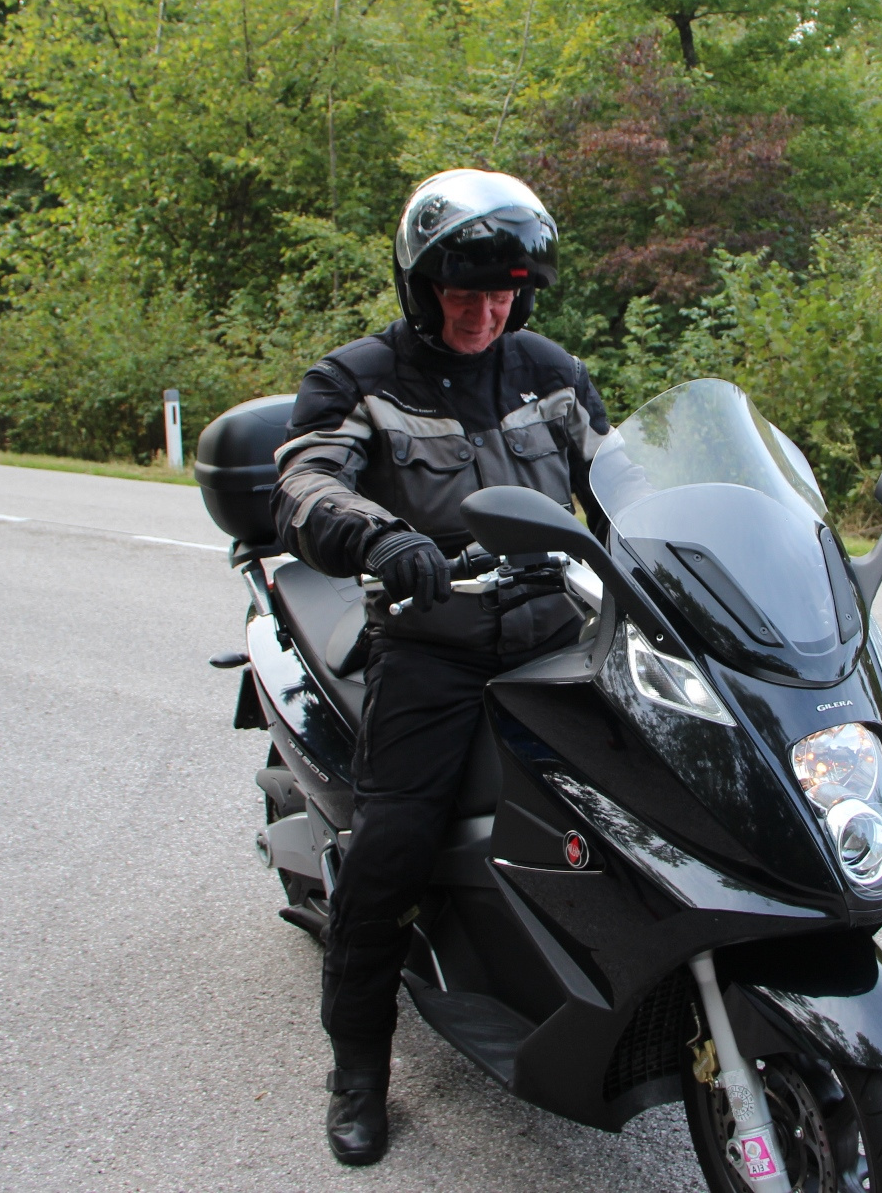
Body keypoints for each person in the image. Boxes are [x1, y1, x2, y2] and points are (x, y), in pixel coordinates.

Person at [272, 170, 610, 1166]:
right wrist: (379, 536)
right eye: (464, 292)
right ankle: (357, 1068)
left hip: (558, 634)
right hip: (435, 645)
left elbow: (621, 478)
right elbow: (304, 483)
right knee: (392, 850)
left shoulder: (550, 372)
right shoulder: (359, 378)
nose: (484, 312)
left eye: (503, 293)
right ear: (421, 286)